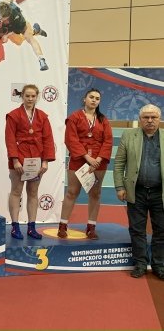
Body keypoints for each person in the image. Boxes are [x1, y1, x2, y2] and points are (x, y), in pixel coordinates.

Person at [113, 104, 164, 279]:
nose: (150, 120)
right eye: (146, 117)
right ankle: (140, 264)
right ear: (140, 119)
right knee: (136, 230)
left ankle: (159, 265)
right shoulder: (128, 136)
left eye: (153, 117)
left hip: (160, 193)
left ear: (159, 119)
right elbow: (119, 163)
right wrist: (120, 187)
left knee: (161, 231)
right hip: (136, 191)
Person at [58, 89, 113, 239]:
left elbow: (108, 141)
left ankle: (91, 227)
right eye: (91, 97)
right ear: (85, 99)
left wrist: (98, 159)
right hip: (79, 159)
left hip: (98, 162)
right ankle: (62, 225)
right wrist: (87, 158)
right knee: (72, 192)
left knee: (95, 193)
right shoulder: (74, 117)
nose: (94, 100)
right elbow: (71, 139)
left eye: (97, 98)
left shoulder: (103, 120)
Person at [5, 84, 55, 239]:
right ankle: (15, 226)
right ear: (22, 97)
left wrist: (45, 161)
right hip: (19, 158)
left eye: (33, 96)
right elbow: (10, 139)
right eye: (27, 96)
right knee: (16, 191)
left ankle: (32, 227)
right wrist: (15, 160)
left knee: (33, 192)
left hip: (36, 159)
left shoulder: (42, 117)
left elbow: (48, 140)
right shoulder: (13, 115)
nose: (30, 99)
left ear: (37, 97)